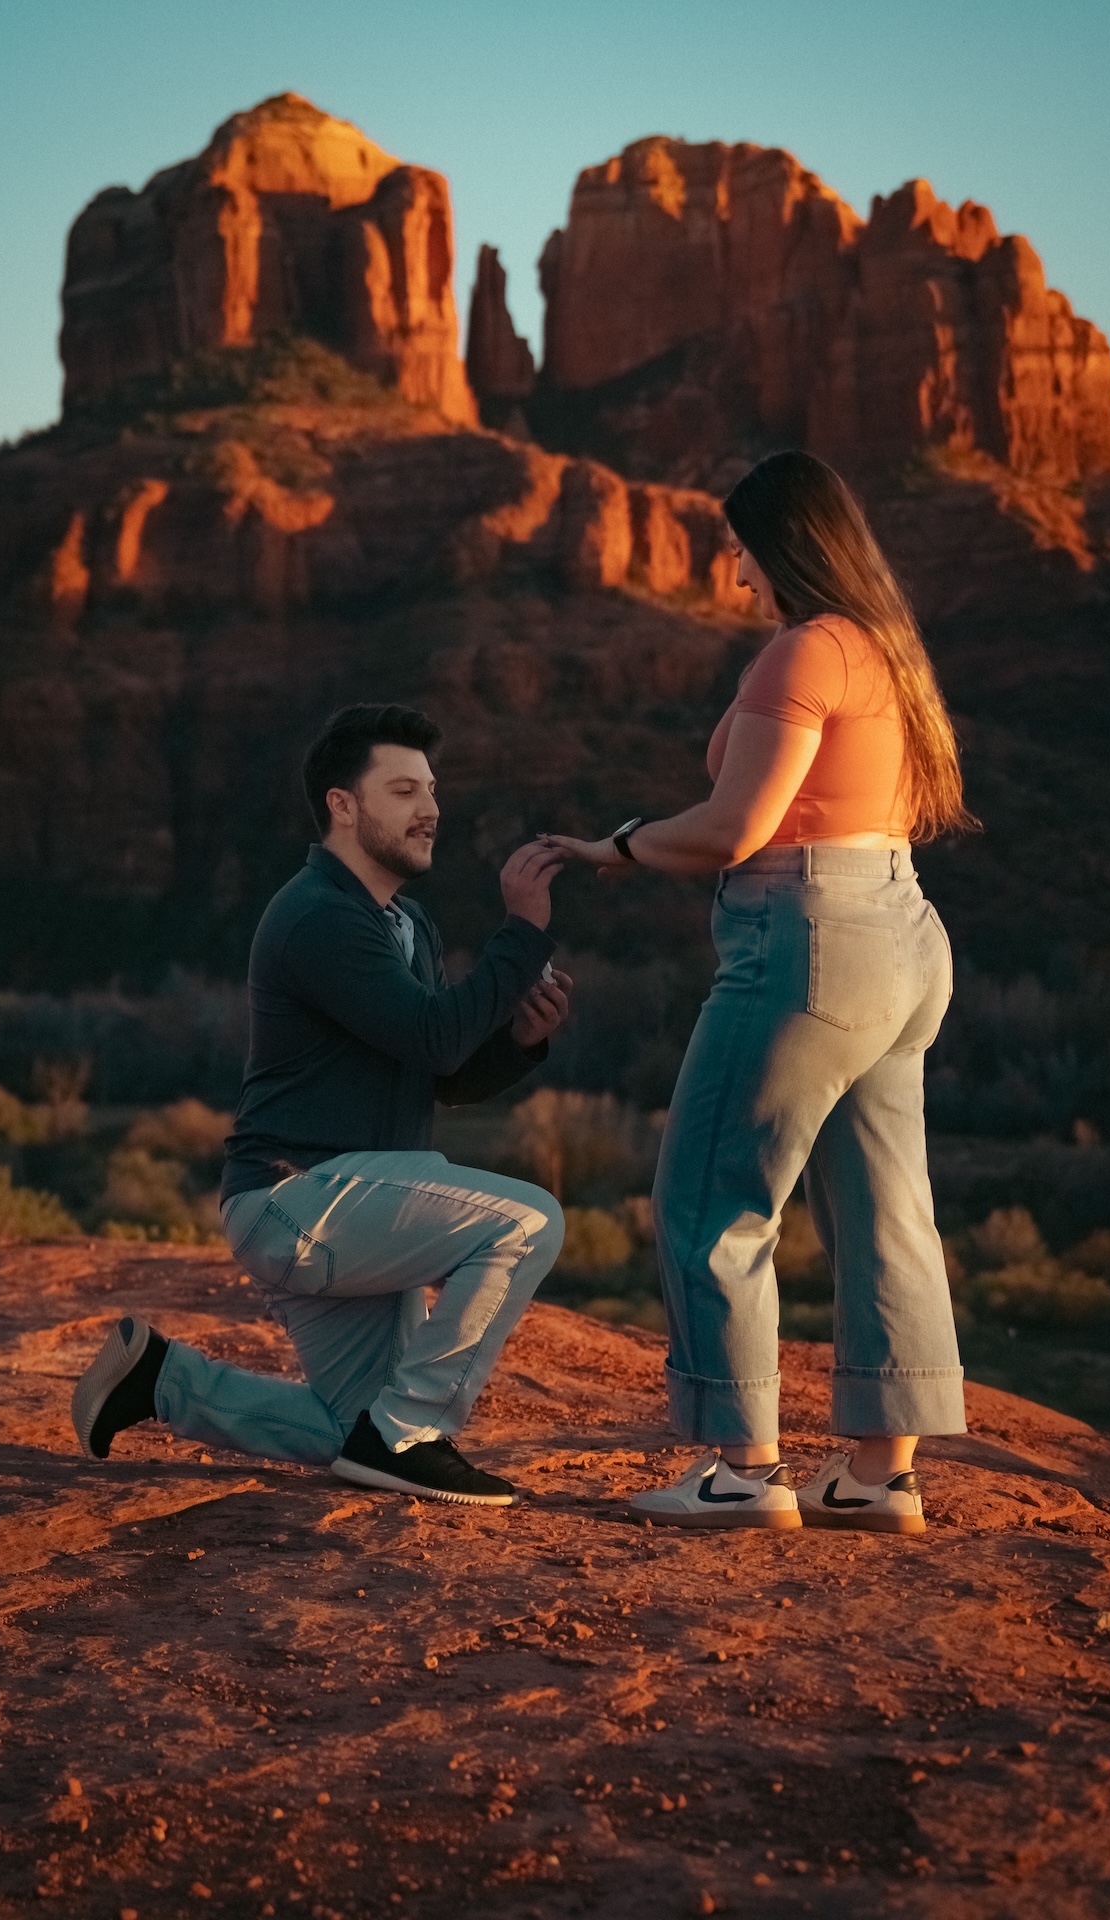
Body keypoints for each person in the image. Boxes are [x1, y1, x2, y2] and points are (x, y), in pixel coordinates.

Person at [543, 451, 975, 1535]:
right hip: (903, 935)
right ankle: (878, 1475)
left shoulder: (802, 653)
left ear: (782, 547)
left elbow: (736, 827)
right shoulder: (886, 653)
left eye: (738, 552)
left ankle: (743, 1471)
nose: (732, 577)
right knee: (886, 1212)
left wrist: (617, 845)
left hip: (807, 940)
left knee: (709, 1199)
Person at [72, 703, 571, 1508]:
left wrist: (518, 1041)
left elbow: (436, 1071)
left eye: (432, 791)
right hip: (300, 1197)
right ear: (344, 806)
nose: (431, 810)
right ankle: (412, 1434)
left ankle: (161, 1381)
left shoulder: (404, 924)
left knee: (352, 1429)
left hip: (355, 1203)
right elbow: (436, 1036)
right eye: (404, 790)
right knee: (529, 1221)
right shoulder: (317, 916)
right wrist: (521, 933)